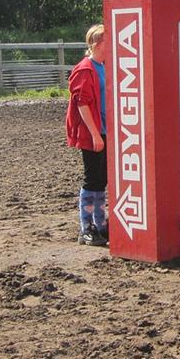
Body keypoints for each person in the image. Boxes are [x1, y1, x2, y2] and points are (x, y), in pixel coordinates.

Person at [66, 24, 108, 246]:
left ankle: (100, 224)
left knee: (102, 179)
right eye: (107, 41)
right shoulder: (85, 69)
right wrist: (95, 134)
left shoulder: (105, 66)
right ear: (96, 43)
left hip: (105, 130)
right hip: (93, 131)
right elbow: (82, 105)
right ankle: (86, 227)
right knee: (92, 178)